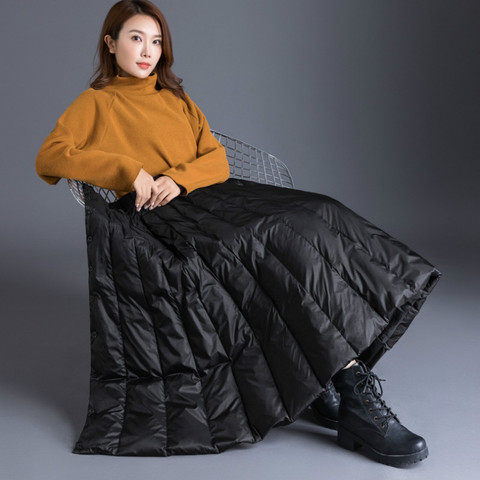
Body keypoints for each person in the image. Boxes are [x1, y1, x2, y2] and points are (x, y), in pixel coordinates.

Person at [35, 0, 440, 467]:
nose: (147, 51)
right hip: (162, 218)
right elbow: (51, 156)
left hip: (210, 197)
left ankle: (329, 372)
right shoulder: (96, 102)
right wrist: (130, 171)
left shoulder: (175, 97)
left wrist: (178, 178)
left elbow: (216, 159)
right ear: (111, 43)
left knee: (316, 214)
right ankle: (353, 392)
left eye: (156, 41)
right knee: (266, 245)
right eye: (136, 38)